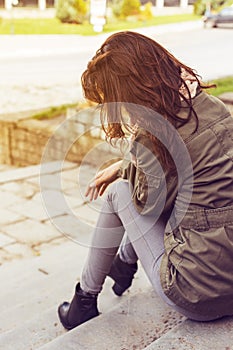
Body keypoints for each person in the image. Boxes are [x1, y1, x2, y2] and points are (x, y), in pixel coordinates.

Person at [58, 31, 233, 330]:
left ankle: (84, 301)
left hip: (198, 294)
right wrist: (126, 164)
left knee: (118, 193)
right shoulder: (212, 106)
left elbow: (145, 205)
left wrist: (133, 150)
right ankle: (122, 266)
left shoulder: (154, 140)